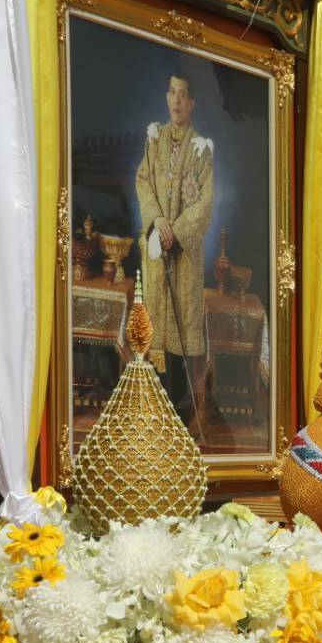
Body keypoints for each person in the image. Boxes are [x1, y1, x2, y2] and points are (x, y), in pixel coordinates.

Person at [135, 67, 215, 429]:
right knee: (156, 320)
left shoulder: (201, 150)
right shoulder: (154, 139)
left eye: (183, 94)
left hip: (184, 254)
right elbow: (143, 181)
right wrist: (157, 222)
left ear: (192, 103)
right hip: (157, 246)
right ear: (166, 97)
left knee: (183, 321)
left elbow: (205, 203)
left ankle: (184, 411)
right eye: (172, 92)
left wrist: (176, 231)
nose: (176, 100)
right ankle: (155, 408)